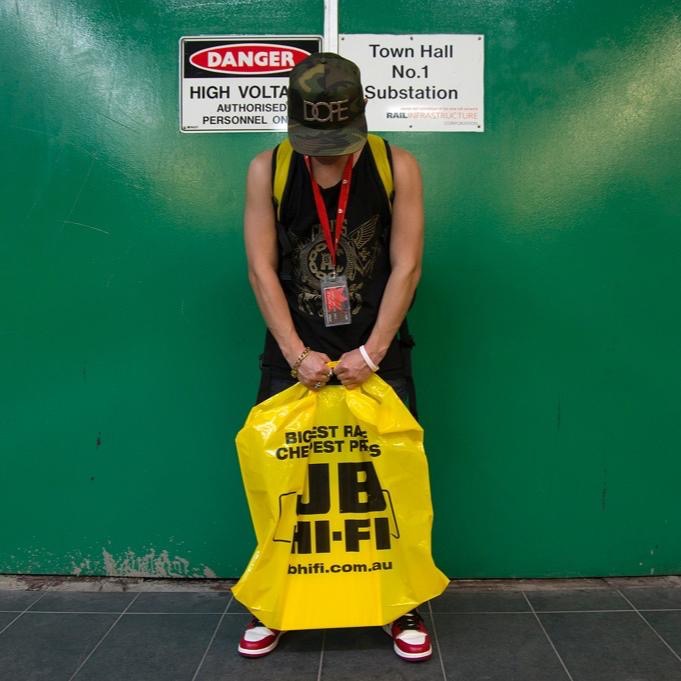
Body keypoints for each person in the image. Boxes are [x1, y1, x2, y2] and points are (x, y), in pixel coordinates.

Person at [238, 52, 431, 662]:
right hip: (292, 353)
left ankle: (399, 604)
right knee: (287, 485)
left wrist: (372, 353)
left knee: (385, 483)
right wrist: (295, 353)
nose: (326, 151)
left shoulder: (396, 165)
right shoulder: (267, 169)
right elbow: (261, 269)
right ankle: (274, 604)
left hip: (377, 352)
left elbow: (407, 265)